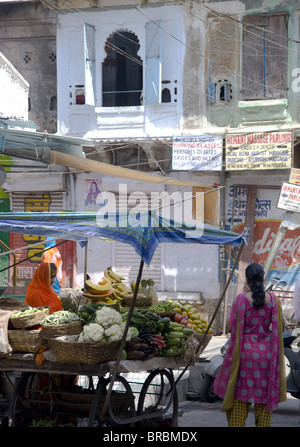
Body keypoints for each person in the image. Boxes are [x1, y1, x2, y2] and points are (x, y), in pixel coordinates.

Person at [213, 262, 286, 427]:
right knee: (263, 406)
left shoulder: (240, 300)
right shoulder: (274, 301)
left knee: (239, 403)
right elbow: (279, 327)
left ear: (246, 280)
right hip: (266, 358)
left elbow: (233, 326)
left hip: (243, 358)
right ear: (263, 278)